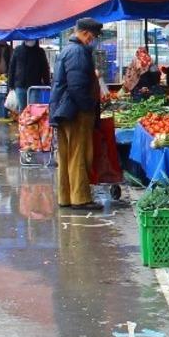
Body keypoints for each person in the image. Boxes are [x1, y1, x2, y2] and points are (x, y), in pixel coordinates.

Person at [50, 18, 103, 210]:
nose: (93, 41)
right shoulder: (78, 52)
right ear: (86, 33)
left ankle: (65, 196)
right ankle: (80, 198)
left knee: (66, 156)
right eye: (93, 37)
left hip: (63, 110)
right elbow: (77, 86)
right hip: (75, 111)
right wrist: (88, 106)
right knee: (78, 154)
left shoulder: (67, 50)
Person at [7, 39, 51, 110]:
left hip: (34, 86)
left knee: (33, 108)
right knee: (22, 108)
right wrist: (10, 85)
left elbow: (45, 69)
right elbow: (12, 68)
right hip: (20, 85)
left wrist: (47, 83)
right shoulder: (18, 50)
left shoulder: (40, 51)